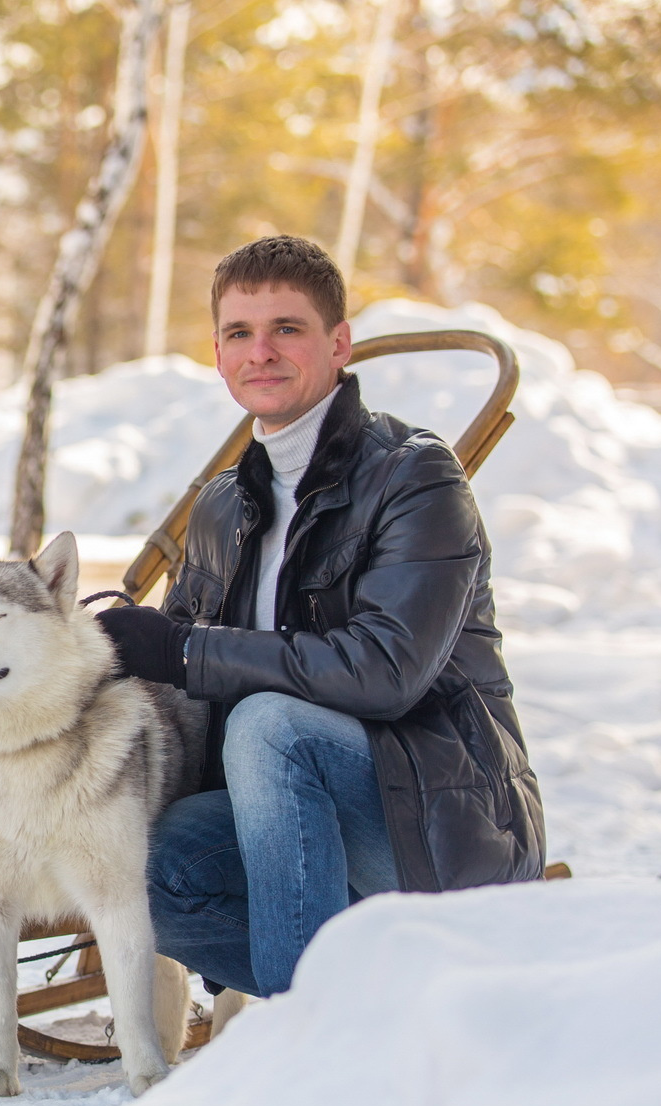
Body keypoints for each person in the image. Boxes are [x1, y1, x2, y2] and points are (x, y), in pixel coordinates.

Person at [98, 235, 545, 998]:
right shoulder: (220, 505)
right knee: (141, 859)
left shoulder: (415, 478)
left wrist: (183, 650)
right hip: (285, 821)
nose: (260, 352)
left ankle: (297, 1045)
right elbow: (179, 682)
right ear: (217, 353)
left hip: (444, 825)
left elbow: (386, 673)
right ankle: (352, 998)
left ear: (339, 344)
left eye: (287, 329)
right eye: (240, 333)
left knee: (272, 723)